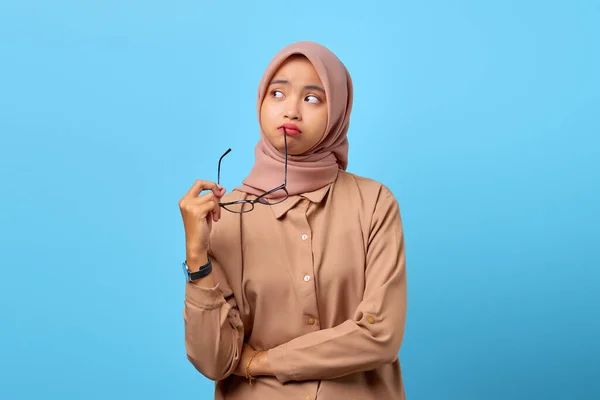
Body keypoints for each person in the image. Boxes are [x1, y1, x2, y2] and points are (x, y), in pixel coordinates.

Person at [178, 41, 407, 400]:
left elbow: (380, 337)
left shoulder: (374, 203)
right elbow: (215, 361)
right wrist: (197, 258)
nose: (291, 112)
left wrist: (263, 362)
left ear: (339, 112)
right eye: (278, 93)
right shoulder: (224, 215)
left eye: (313, 98)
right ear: (260, 103)